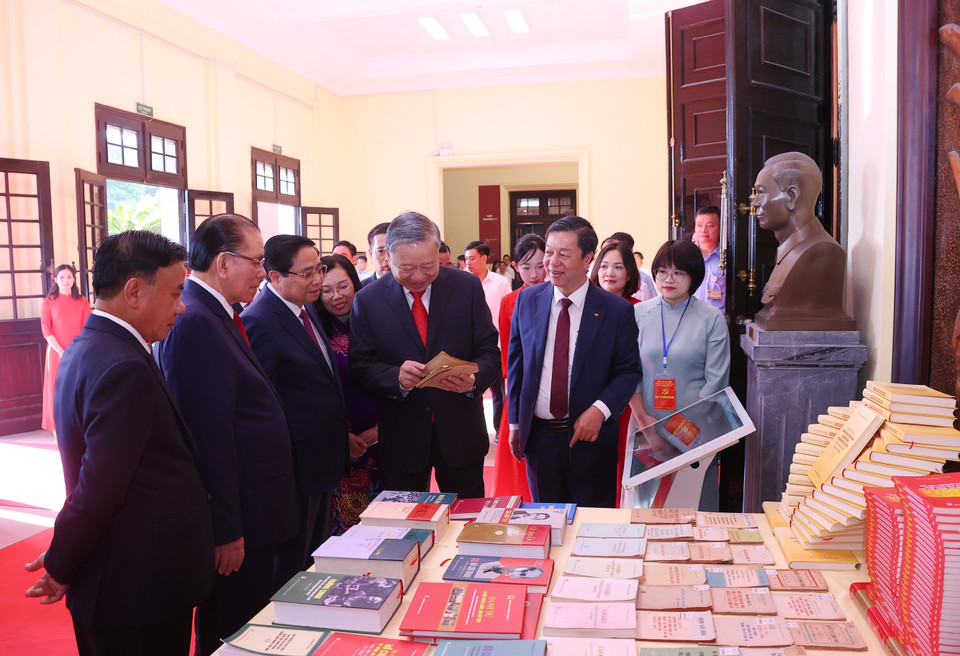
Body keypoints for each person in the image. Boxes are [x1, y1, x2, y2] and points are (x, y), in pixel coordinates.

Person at [25, 231, 214, 656]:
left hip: (123, 576)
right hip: (136, 584)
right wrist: (60, 561)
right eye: (175, 293)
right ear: (133, 291)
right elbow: (98, 488)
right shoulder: (122, 365)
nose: (181, 307)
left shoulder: (90, 347)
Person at [156, 214, 298, 656]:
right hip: (239, 517)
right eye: (256, 261)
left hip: (256, 506)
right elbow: (206, 435)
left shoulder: (218, 313)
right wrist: (227, 529)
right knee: (230, 628)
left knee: (249, 618)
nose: (262, 271)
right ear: (223, 262)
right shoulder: (196, 321)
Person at [350, 211, 500, 498]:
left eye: (428, 266)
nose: (418, 277)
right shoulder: (368, 301)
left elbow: (489, 350)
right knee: (407, 529)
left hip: (461, 434)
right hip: (401, 439)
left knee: (466, 521)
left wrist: (473, 381)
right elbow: (361, 365)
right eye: (406, 268)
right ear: (387, 257)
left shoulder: (465, 287)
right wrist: (395, 377)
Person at [507, 216, 640, 508]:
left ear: (588, 258)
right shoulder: (527, 300)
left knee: (592, 526)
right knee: (546, 522)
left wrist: (599, 410)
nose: (552, 262)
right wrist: (515, 423)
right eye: (550, 252)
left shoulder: (615, 311)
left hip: (590, 440)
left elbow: (628, 372)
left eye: (564, 254)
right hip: (539, 438)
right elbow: (516, 366)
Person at [241, 235, 349, 580]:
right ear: (275, 277)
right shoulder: (259, 320)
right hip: (294, 469)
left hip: (321, 459)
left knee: (313, 557)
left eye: (318, 269)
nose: (318, 279)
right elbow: (264, 403)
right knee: (292, 565)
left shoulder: (305, 310)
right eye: (307, 274)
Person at [629, 239, 730, 509]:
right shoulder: (637, 314)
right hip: (644, 429)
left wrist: (679, 435)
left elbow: (716, 381)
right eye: (662, 271)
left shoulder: (711, 318)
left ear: (693, 275)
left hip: (696, 432)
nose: (668, 279)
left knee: (694, 506)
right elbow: (628, 374)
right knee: (647, 509)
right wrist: (649, 429)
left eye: (678, 272)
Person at [314, 254, 382, 534]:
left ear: (355, 282)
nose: (336, 296)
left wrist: (382, 428)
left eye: (343, 286)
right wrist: (342, 437)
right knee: (347, 532)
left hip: (385, 438)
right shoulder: (313, 331)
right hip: (339, 445)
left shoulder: (380, 322)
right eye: (326, 290)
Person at [751, 151, 855, 331]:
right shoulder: (787, 250)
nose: (754, 203)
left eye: (761, 192)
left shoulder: (823, 251)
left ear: (792, 196)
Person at [491, 234, 546, 501]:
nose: (534, 274)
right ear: (515, 266)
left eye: (540, 265)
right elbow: (507, 358)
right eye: (526, 267)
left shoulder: (559, 296)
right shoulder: (509, 302)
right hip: (522, 389)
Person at [589, 241, 642, 502]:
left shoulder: (639, 308)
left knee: (625, 463)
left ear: (630, 273)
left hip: (628, 401)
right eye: (605, 266)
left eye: (618, 267)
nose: (609, 272)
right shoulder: (587, 305)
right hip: (592, 400)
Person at [464, 240, 512, 432]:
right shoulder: (461, 281)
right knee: (468, 390)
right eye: (466, 258)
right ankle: (471, 430)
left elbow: (509, 312)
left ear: (484, 258)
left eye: (472, 258)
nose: (468, 262)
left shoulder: (501, 282)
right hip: (467, 347)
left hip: (495, 346)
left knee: (498, 392)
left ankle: (499, 431)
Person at [40, 264, 91, 433]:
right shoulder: (48, 303)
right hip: (56, 352)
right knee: (57, 387)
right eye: (61, 277)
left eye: (69, 277)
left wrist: (76, 351)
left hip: (79, 351)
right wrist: (62, 352)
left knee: (78, 386)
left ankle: (78, 424)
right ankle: (58, 428)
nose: (65, 281)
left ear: (74, 279)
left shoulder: (83, 301)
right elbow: (46, 330)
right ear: (55, 279)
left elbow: (87, 328)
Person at [691, 206, 726, 312]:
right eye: (699, 225)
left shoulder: (726, 259)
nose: (703, 230)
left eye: (710, 226)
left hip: (718, 321)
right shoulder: (687, 257)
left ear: (720, 228)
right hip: (691, 320)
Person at [362, 223, 391, 287]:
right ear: (371, 254)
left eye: (391, 251)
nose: (387, 258)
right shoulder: (360, 290)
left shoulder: (412, 287)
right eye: (381, 251)